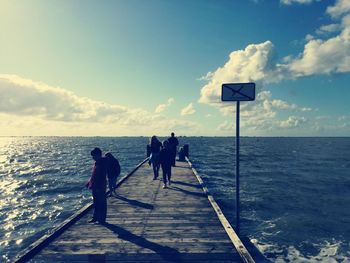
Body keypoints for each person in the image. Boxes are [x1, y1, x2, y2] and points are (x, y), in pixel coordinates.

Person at [86, 147, 107, 224]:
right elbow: (94, 175)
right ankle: (95, 217)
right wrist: (90, 182)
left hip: (100, 187)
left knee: (101, 203)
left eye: (94, 156)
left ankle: (102, 219)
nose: (93, 158)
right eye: (92, 156)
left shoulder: (102, 163)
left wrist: (98, 186)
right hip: (95, 186)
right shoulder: (97, 163)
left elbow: (101, 177)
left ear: (98, 155)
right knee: (96, 203)